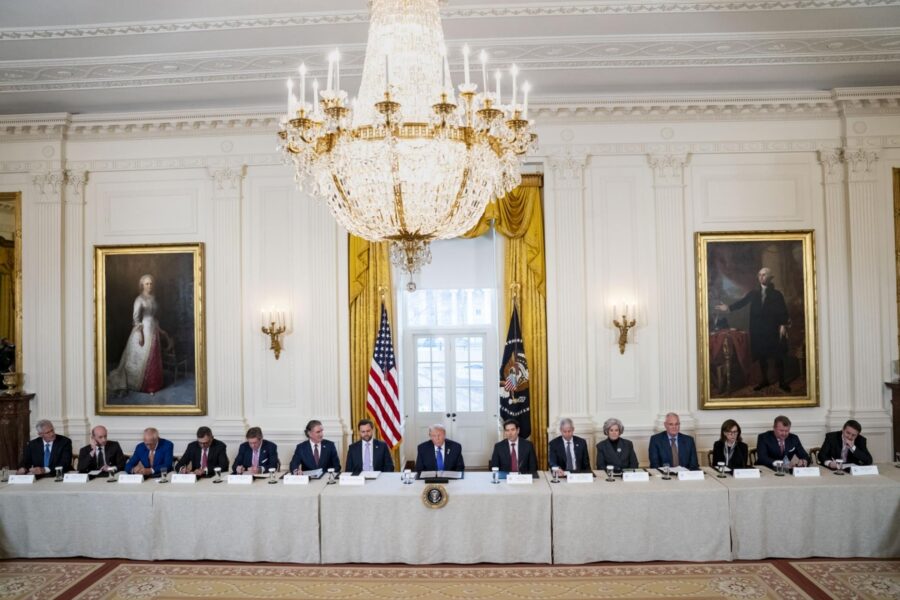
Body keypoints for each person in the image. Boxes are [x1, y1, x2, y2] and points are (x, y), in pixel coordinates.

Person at [715, 267, 791, 392]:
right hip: (758, 330)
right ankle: (765, 380)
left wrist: (783, 325)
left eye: (764, 274)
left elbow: (783, 310)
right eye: (760, 274)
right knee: (761, 356)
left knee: (778, 356)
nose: (761, 277)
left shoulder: (777, 294)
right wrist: (728, 308)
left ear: (770, 277)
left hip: (772, 330)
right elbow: (742, 302)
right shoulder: (754, 293)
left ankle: (782, 382)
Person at [107, 274, 165, 396]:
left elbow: (154, 318)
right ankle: (142, 385)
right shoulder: (139, 299)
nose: (149, 286)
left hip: (153, 330)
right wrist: (141, 335)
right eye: (147, 284)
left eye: (151, 283)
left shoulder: (153, 298)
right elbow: (136, 319)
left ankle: (153, 385)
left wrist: (161, 330)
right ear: (142, 285)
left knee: (153, 357)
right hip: (143, 330)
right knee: (142, 359)